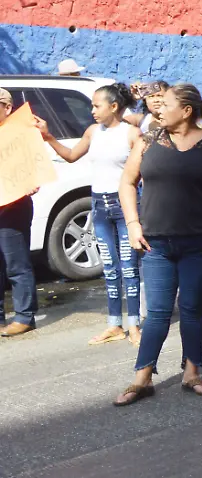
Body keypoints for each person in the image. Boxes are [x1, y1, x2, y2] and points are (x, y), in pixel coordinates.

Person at [114, 84, 202, 405]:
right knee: (158, 312)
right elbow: (127, 182)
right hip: (156, 244)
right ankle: (142, 378)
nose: (158, 109)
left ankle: (192, 373)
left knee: (191, 309)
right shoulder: (148, 142)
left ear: (186, 111)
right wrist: (133, 223)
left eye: (166, 104)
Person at [37, 83, 142, 346]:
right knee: (109, 268)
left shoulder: (132, 134)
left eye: (97, 106)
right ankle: (114, 325)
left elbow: (146, 171)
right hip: (99, 205)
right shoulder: (93, 131)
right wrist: (48, 137)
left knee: (129, 268)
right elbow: (72, 156)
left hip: (125, 206)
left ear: (114, 106)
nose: (92, 111)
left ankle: (135, 325)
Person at [0, 88, 39, 337]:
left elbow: (33, 166)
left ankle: (25, 316)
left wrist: (31, 180)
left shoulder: (20, 134)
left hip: (12, 206)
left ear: (6, 107)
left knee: (16, 263)